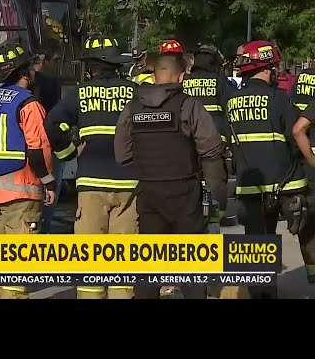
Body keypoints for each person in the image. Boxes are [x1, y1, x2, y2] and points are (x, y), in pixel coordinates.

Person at [114, 53, 227, 300]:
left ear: (153, 76)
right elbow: (211, 149)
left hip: (149, 193)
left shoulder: (133, 107)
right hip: (184, 192)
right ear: (182, 76)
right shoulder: (189, 105)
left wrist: (148, 167)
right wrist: (218, 194)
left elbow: (122, 154)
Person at [45, 35, 138, 299]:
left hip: (91, 186)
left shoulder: (80, 94)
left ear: (92, 67)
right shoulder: (135, 93)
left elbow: (53, 125)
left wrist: (70, 152)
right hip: (129, 185)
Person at [228, 40, 310, 297]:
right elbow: (293, 136)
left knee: (256, 240)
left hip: (249, 184)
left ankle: (261, 291)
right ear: (266, 68)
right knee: (306, 227)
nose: (275, 71)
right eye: (273, 66)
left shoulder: (231, 102)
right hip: (285, 184)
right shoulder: (278, 99)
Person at [0, 43, 55, 299]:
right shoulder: (29, 104)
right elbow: (38, 149)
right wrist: (49, 181)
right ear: (25, 73)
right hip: (22, 193)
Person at [32, 47, 65, 233]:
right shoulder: (51, 84)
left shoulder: (21, 84)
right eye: (56, 60)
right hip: (47, 147)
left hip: (30, 147)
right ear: (45, 61)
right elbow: (55, 119)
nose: (58, 65)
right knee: (50, 194)